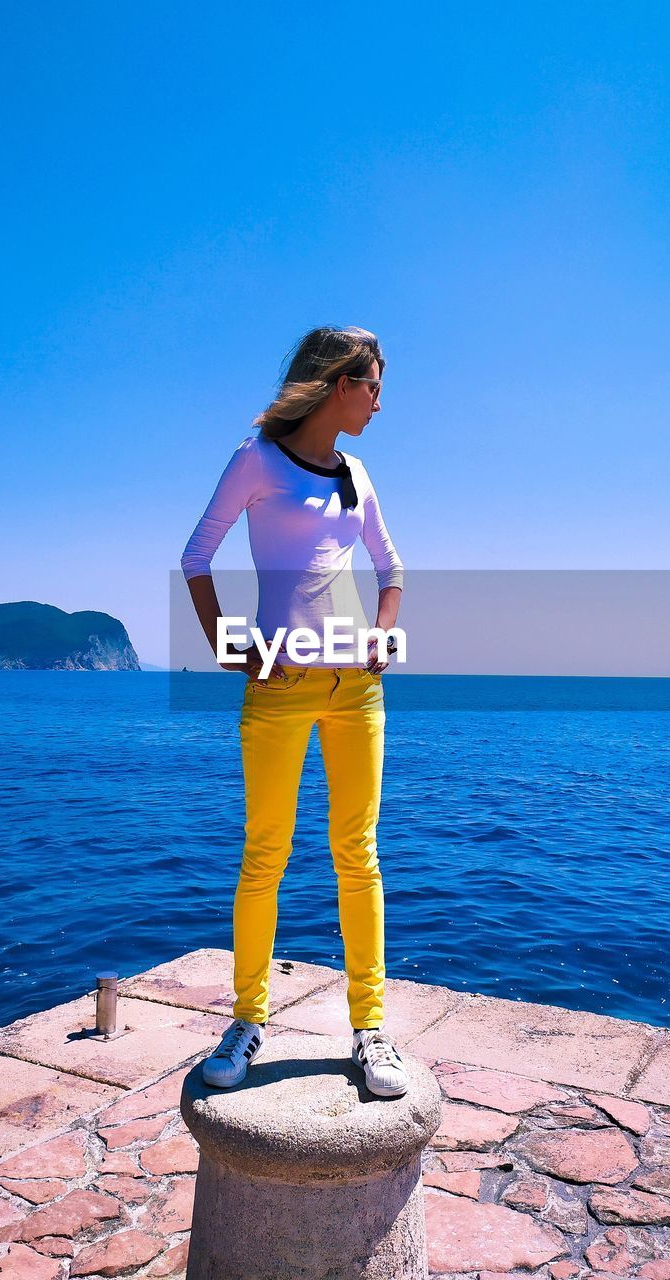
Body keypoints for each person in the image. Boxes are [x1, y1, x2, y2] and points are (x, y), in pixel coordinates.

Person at [180, 325, 408, 1097]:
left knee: (359, 855)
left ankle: (370, 1030)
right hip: (277, 688)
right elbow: (196, 555)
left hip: (358, 689)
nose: (380, 400)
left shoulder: (358, 474)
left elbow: (391, 566)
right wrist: (229, 646)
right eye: (372, 384)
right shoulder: (258, 460)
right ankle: (248, 1021)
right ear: (339, 382)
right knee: (265, 856)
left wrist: (382, 633)